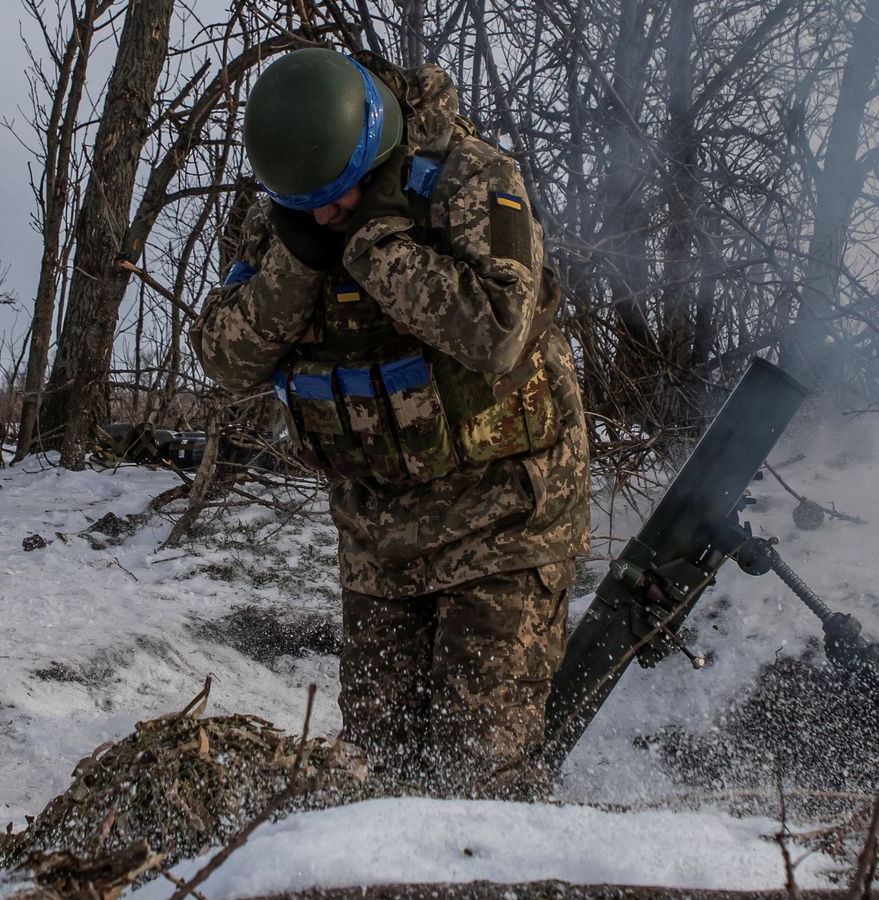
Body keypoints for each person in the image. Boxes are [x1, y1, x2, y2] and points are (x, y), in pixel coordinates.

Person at [191, 48, 589, 799]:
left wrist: (377, 249)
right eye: (302, 203)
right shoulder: (285, 213)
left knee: (478, 773)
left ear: (375, 146)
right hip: (379, 539)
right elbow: (225, 356)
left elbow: (499, 332)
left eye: (336, 197)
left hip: (504, 518)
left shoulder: (474, 179)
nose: (320, 216)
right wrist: (297, 264)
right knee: (383, 774)